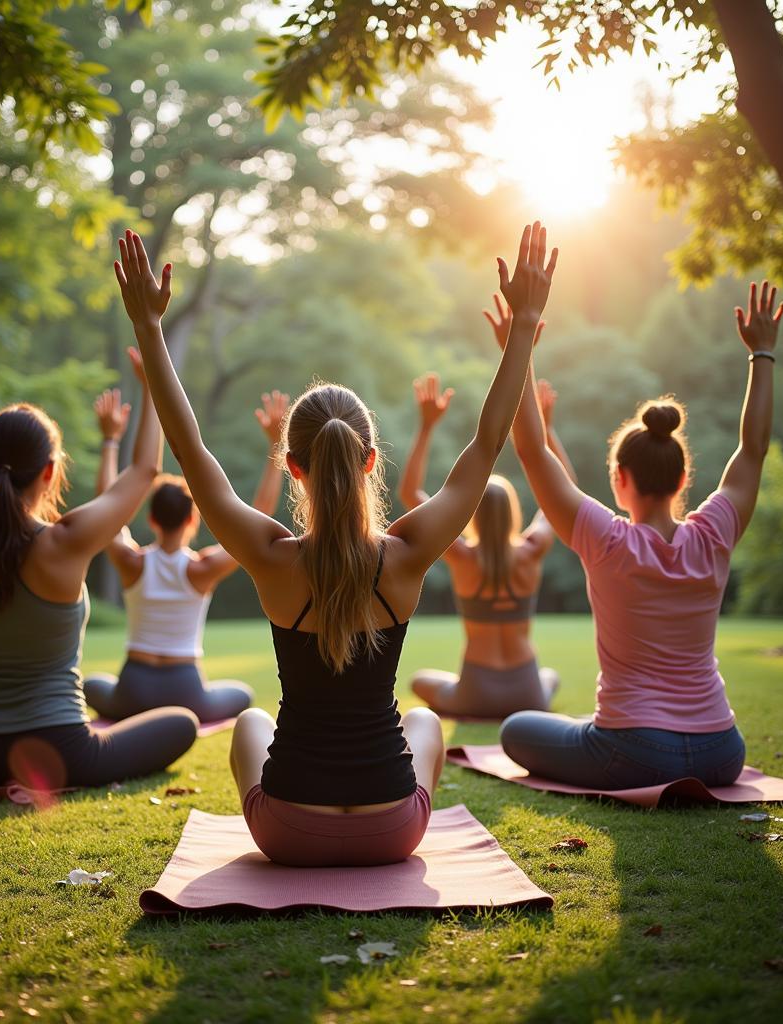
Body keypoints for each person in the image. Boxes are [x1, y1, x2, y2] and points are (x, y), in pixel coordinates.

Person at [114, 221, 557, 865]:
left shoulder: (271, 557)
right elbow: (487, 444)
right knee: (424, 723)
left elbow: (189, 449)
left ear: (293, 467)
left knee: (249, 725)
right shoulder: (405, 555)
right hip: (392, 833)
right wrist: (522, 326)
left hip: (288, 833)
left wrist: (150, 329)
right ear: (370, 462)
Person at [0, 309, 198, 789]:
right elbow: (144, 470)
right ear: (51, 472)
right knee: (182, 722)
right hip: (63, 752)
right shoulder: (65, 541)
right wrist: (151, 380)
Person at [501, 280, 783, 789]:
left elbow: (531, 450)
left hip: (633, 751)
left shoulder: (606, 539)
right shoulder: (713, 534)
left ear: (619, 480)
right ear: (683, 479)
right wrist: (761, 353)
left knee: (517, 728)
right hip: (722, 749)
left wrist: (519, 341)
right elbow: (754, 450)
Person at [398, 296, 577, 719]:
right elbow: (564, 489)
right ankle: (538, 690)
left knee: (420, 680)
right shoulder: (533, 551)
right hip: (526, 693)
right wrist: (547, 431)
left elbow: (411, 493)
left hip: (473, 693)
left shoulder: (461, 555)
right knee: (548, 676)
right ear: (513, 513)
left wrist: (425, 429)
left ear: (474, 515)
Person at [82, 385, 289, 723]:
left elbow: (107, 505)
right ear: (193, 519)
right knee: (242, 694)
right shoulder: (202, 569)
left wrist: (110, 440)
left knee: (91, 684)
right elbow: (259, 516)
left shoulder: (131, 561)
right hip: (187, 693)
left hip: (133, 688)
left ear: (151, 519)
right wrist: (275, 444)